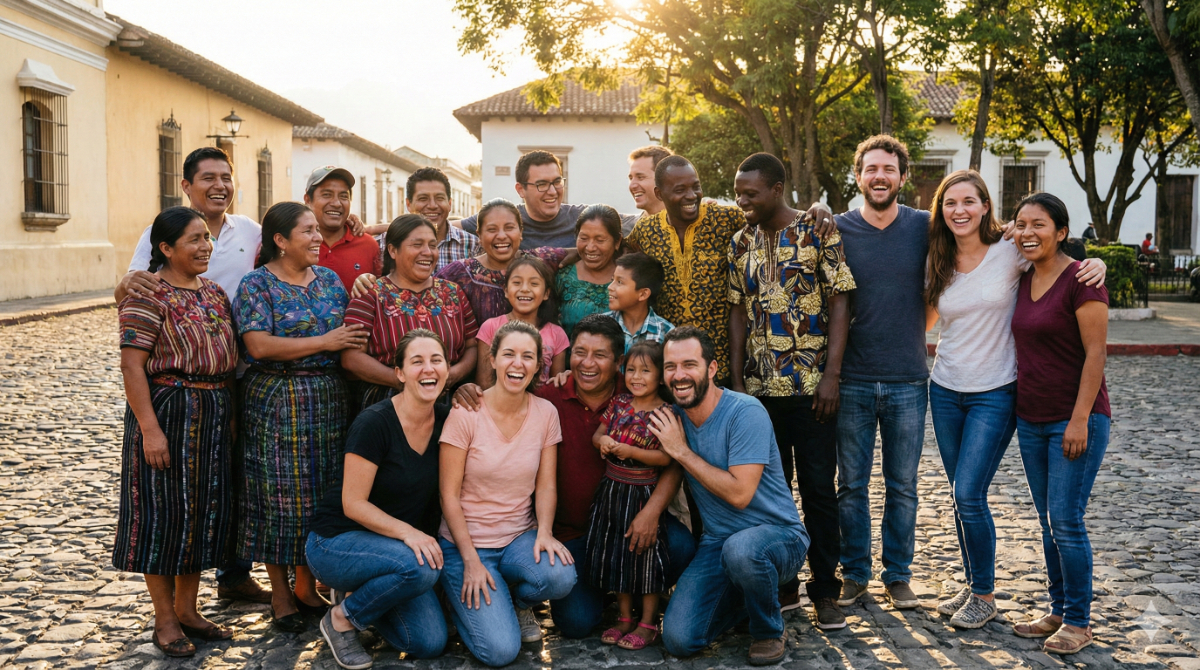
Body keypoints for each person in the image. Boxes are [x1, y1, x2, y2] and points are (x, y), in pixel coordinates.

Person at [922, 171, 1106, 629]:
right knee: (960, 496)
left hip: (997, 392)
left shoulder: (1010, 253)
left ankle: (989, 596)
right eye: (950, 202)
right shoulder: (938, 259)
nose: (959, 210)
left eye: (970, 200)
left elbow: (1060, 260)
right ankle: (976, 586)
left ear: (986, 206)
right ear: (940, 211)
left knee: (971, 493)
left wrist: (1097, 260)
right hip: (945, 389)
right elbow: (926, 319)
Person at [454, 314, 698, 640]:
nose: (587, 363)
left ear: (619, 362)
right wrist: (467, 389)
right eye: (580, 352)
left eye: (600, 355)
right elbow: (504, 394)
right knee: (577, 623)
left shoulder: (638, 395)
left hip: (629, 520)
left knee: (681, 545)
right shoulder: (547, 398)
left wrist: (651, 513)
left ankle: (640, 591)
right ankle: (611, 589)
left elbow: (673, 462)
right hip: (574, 534)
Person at [728, 152, 855, 631]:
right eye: (738, 192)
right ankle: (784, 585)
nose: (742, 200)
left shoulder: (817, 231)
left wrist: (831, 375)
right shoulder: (740, 240)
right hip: (760, 393)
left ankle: (826, 589)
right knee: (769, 495)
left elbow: (842, 301)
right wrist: (739, 383)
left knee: (820, 490)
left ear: (777, 188)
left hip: (811, 387)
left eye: (751, 193)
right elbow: (738, 311)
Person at [232, 202, 365, 632]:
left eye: (316, 230)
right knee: (277, 499)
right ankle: (281, 595)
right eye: (306, 231)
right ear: (280, 240)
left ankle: (307, 587)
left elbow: (350, 334)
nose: (316, 238)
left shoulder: (328, 280)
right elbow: (259, 346)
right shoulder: (257, 284)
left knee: (320, 494)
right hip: (277, 400)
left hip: (328, 400)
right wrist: (325, 341)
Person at [114, 206, 239, 658]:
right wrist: (150, 430)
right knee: (164, 515)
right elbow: (132, 364)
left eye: (207, 237)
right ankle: (164, 618)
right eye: (194, 239)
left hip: (213, 409)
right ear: (165, 248)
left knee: (203, 513)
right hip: (168, 409)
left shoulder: (214, 294)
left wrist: (229, 416)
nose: (206, 245)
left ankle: (189, 608)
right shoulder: (149, 294)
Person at [651, 327, 809, 667]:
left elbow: (740, 494)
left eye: (689, 364)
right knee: (679, 639)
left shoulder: (744, 412)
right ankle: (745, 600)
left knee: (743, 551)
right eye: (670, 366)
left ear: (711, 369)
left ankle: (768, 629)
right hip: (717, 543)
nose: (679, 375)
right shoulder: (674, 417)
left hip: (778, 537)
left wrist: (681, 452)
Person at [306, 330, 453, 669]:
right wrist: (409, 532)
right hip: (336, 542)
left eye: (436, 360)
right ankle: (342, 618)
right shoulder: (375, 423)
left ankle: (365, 594)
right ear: (399, 373)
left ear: (448, 368)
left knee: (428, 642)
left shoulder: (448, 420)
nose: (428, 369)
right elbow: (352, 504)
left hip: (393, 552)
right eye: (417, 362)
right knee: (420, 566)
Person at [438, 321, 577, 667]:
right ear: (494, 359)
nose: (518, 363)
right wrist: (470, 561)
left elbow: (545, 484)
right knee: (500, 652)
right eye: (509, 354)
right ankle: (457, 596)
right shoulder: (465, 412)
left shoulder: (545, 413)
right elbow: (448, 496)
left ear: (538, 365)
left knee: (560, 576)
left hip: (518, 538)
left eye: (528, 356)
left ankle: (516, 601)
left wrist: (544, 532)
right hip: (467, 546)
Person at [626, 156, 835, 383]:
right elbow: (616, 252)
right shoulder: (646, 231)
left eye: (696, 187)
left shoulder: (725, 219)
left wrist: (818, 207)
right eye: (680, 189)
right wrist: (579, 251)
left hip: (720, 366)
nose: (691, 195)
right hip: (669, 366)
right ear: (659, 194)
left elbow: (772, 214)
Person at [1009, 192, 1110, 655]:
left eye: (1040, 224)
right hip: (1031, 418)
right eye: (1021, 224)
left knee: (1067, 520)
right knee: (1049, 520)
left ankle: (1079, 620)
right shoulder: (1023, 274)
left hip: (1076, 419)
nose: (1029, 232)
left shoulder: (1083, 280)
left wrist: (1079, 420)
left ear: (1063, 232)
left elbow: (1096, 354)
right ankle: (1057, 608)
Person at [342, 215, 478, 410]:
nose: (427, 252)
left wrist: (452, 375)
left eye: (432, 245)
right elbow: (351, 357)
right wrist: (406, 381)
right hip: (387, 403)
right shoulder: (370, 293)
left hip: (444, 402)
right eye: (417, 245)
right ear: (393, 250)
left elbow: (472, 346)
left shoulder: (453, 292)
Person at [587, 341, 672, 650]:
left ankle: (648, 622)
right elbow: (597, 435)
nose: (636, 377)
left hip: (642, 493)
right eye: (631, 370)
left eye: (646, 371)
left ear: (661, 376)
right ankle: (624, 617)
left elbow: (666, 458)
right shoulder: (619, 403)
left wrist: (630, 451)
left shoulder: (666, 412)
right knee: (616, 553)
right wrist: (604, 442)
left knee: (645, 555)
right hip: (611, 489)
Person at [459, 150, 639, 247]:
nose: (552, 191)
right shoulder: (503, 220)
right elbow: (445, 228)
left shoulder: (584, 218)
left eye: (557, 181)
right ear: (520, 189)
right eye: (542, 184)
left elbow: (640, 221)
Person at [436, 198, 570, 324]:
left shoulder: (540, 261)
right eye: (492, 229)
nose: (501, 236)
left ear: (521, 232)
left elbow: (583, 251)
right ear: (479, 235)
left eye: (509, 228)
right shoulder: (457, 274)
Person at [475, 257, 569, 387]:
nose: (525, 289)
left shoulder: (557, 334)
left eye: (534, 284)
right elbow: (484, 383)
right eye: (517, 283)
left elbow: (557, 385)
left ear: (546, 293)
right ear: (506, 291)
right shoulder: (490, 327)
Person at [305, 166, 383, 290]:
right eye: (326, 195)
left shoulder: (368, 245)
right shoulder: (296, 243)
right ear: (308, 199)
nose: (336, 203)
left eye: (343, 196)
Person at [556, 204, 624, 337]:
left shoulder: (629, 278)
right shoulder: (563, 276)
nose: (590, 247)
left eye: (600, 240)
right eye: (584, 238)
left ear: (617, 242)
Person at [407, 167, 482, 271]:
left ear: (449, 204)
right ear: (408, 204)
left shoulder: (473, 246)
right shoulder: (385, 245)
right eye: (423, 198)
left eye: (439, 198)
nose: (432, 205)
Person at [605, 252, 673, 353]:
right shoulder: (601, 326)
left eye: (619, 282)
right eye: (612, 279)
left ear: (643, 294)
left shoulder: (666, 334)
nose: (609, 287)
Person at [628, 145, 673, 218]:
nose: (632, 186)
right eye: (631, 178)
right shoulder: (624, 228)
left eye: (640, 177)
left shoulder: (692, 226)